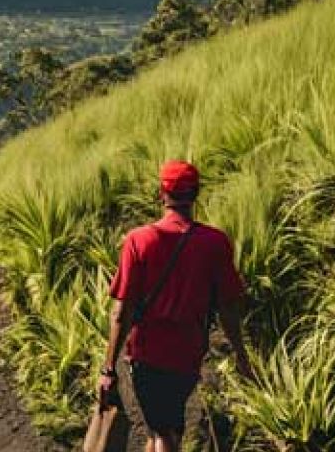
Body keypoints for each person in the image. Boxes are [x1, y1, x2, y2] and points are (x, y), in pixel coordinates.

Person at [98, 160, 251, 452]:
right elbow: (228, 307)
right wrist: (241, 354)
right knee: (167, 428)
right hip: (188, 357)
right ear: (196, 193)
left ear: (161, 193)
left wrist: (108, 369)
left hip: (147, 357)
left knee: (164, 434)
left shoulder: (138, 241)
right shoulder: (215, 242)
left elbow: (122, 311)